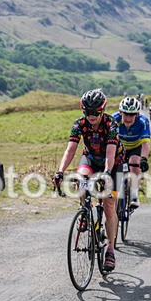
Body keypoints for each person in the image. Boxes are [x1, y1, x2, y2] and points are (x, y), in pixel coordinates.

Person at [52, 89, 124, 272]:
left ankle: (110, 249)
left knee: (109, 205)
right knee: (80, 178)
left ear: (103, 110)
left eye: (96, 113)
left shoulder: (111, 124)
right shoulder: (79, 124)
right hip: (91, 158)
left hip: (113, 164)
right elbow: (70, 150)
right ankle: (85, 210)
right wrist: (60, 172)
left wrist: (106, 174)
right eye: (87, 112)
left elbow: (110, 153)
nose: (91, 116)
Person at [111, 96, 150, 209]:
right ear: (120, 112)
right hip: (119, 148)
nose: (128, 118)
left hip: (135, 148)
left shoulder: (143, 121)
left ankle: (134, 194)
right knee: (115, 170)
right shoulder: (114, 119)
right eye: (125, 114)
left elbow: (146, 144)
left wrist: (144, 159)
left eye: (131, 114)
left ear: (137, 114)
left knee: (134, 162)